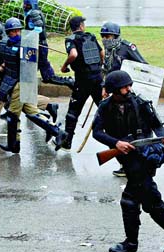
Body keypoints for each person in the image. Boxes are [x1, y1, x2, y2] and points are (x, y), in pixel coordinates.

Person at [93, 70, 164, 252]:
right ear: (114, 89)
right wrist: (116, 143)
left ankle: (131, 243)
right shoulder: (105, 106)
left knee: (130, 201)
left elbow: (157, 126)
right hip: (126, 157)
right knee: (150, 201)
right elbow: (97, 132)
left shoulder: (140, 103)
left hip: (144, 157)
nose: (129, 89)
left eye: (129, 85)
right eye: (124, 87)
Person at [0, 17, 67, 153]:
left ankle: (14, 144)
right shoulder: (6, 45)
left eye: (18, 30)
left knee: (12, 115)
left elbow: (31, 67)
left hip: (21, 83)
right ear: (7, 32)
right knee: (31, 111)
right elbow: (6, 64)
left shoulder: (26, 46)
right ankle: (58, 132)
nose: (16, 33)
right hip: (11, 82)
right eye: (13, 31)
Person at [100, 21, 148, 177]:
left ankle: (133, 163)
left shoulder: (127, 47)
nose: (106, 39)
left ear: (116, 36)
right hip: (113, 97)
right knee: (112, 131)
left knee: (130, 130)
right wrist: (105, 88)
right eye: (104, 36)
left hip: (127, 95)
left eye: (109, 36)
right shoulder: (107, 51)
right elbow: (106, 71)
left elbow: (143, 66)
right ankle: (123, 163)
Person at [60, 16, 104, 151]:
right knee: (105, 109)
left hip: (82, 81)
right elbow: (102, 53)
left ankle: (66, 143)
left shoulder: (70, 40)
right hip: (97, 79)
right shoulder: (91, 36)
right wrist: (98, 67)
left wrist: (64, 66)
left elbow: (73, 54)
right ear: (81, 26)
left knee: (73, 112)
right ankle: (119, 139)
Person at [23, 0, 74, 90]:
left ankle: (68, 82)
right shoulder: (32, 13)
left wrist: (26, 38)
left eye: (26, 4)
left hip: (38, 45)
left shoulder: (34, 13)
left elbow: (38, 29)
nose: (24, 6)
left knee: (47, 74)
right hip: (36, 45)